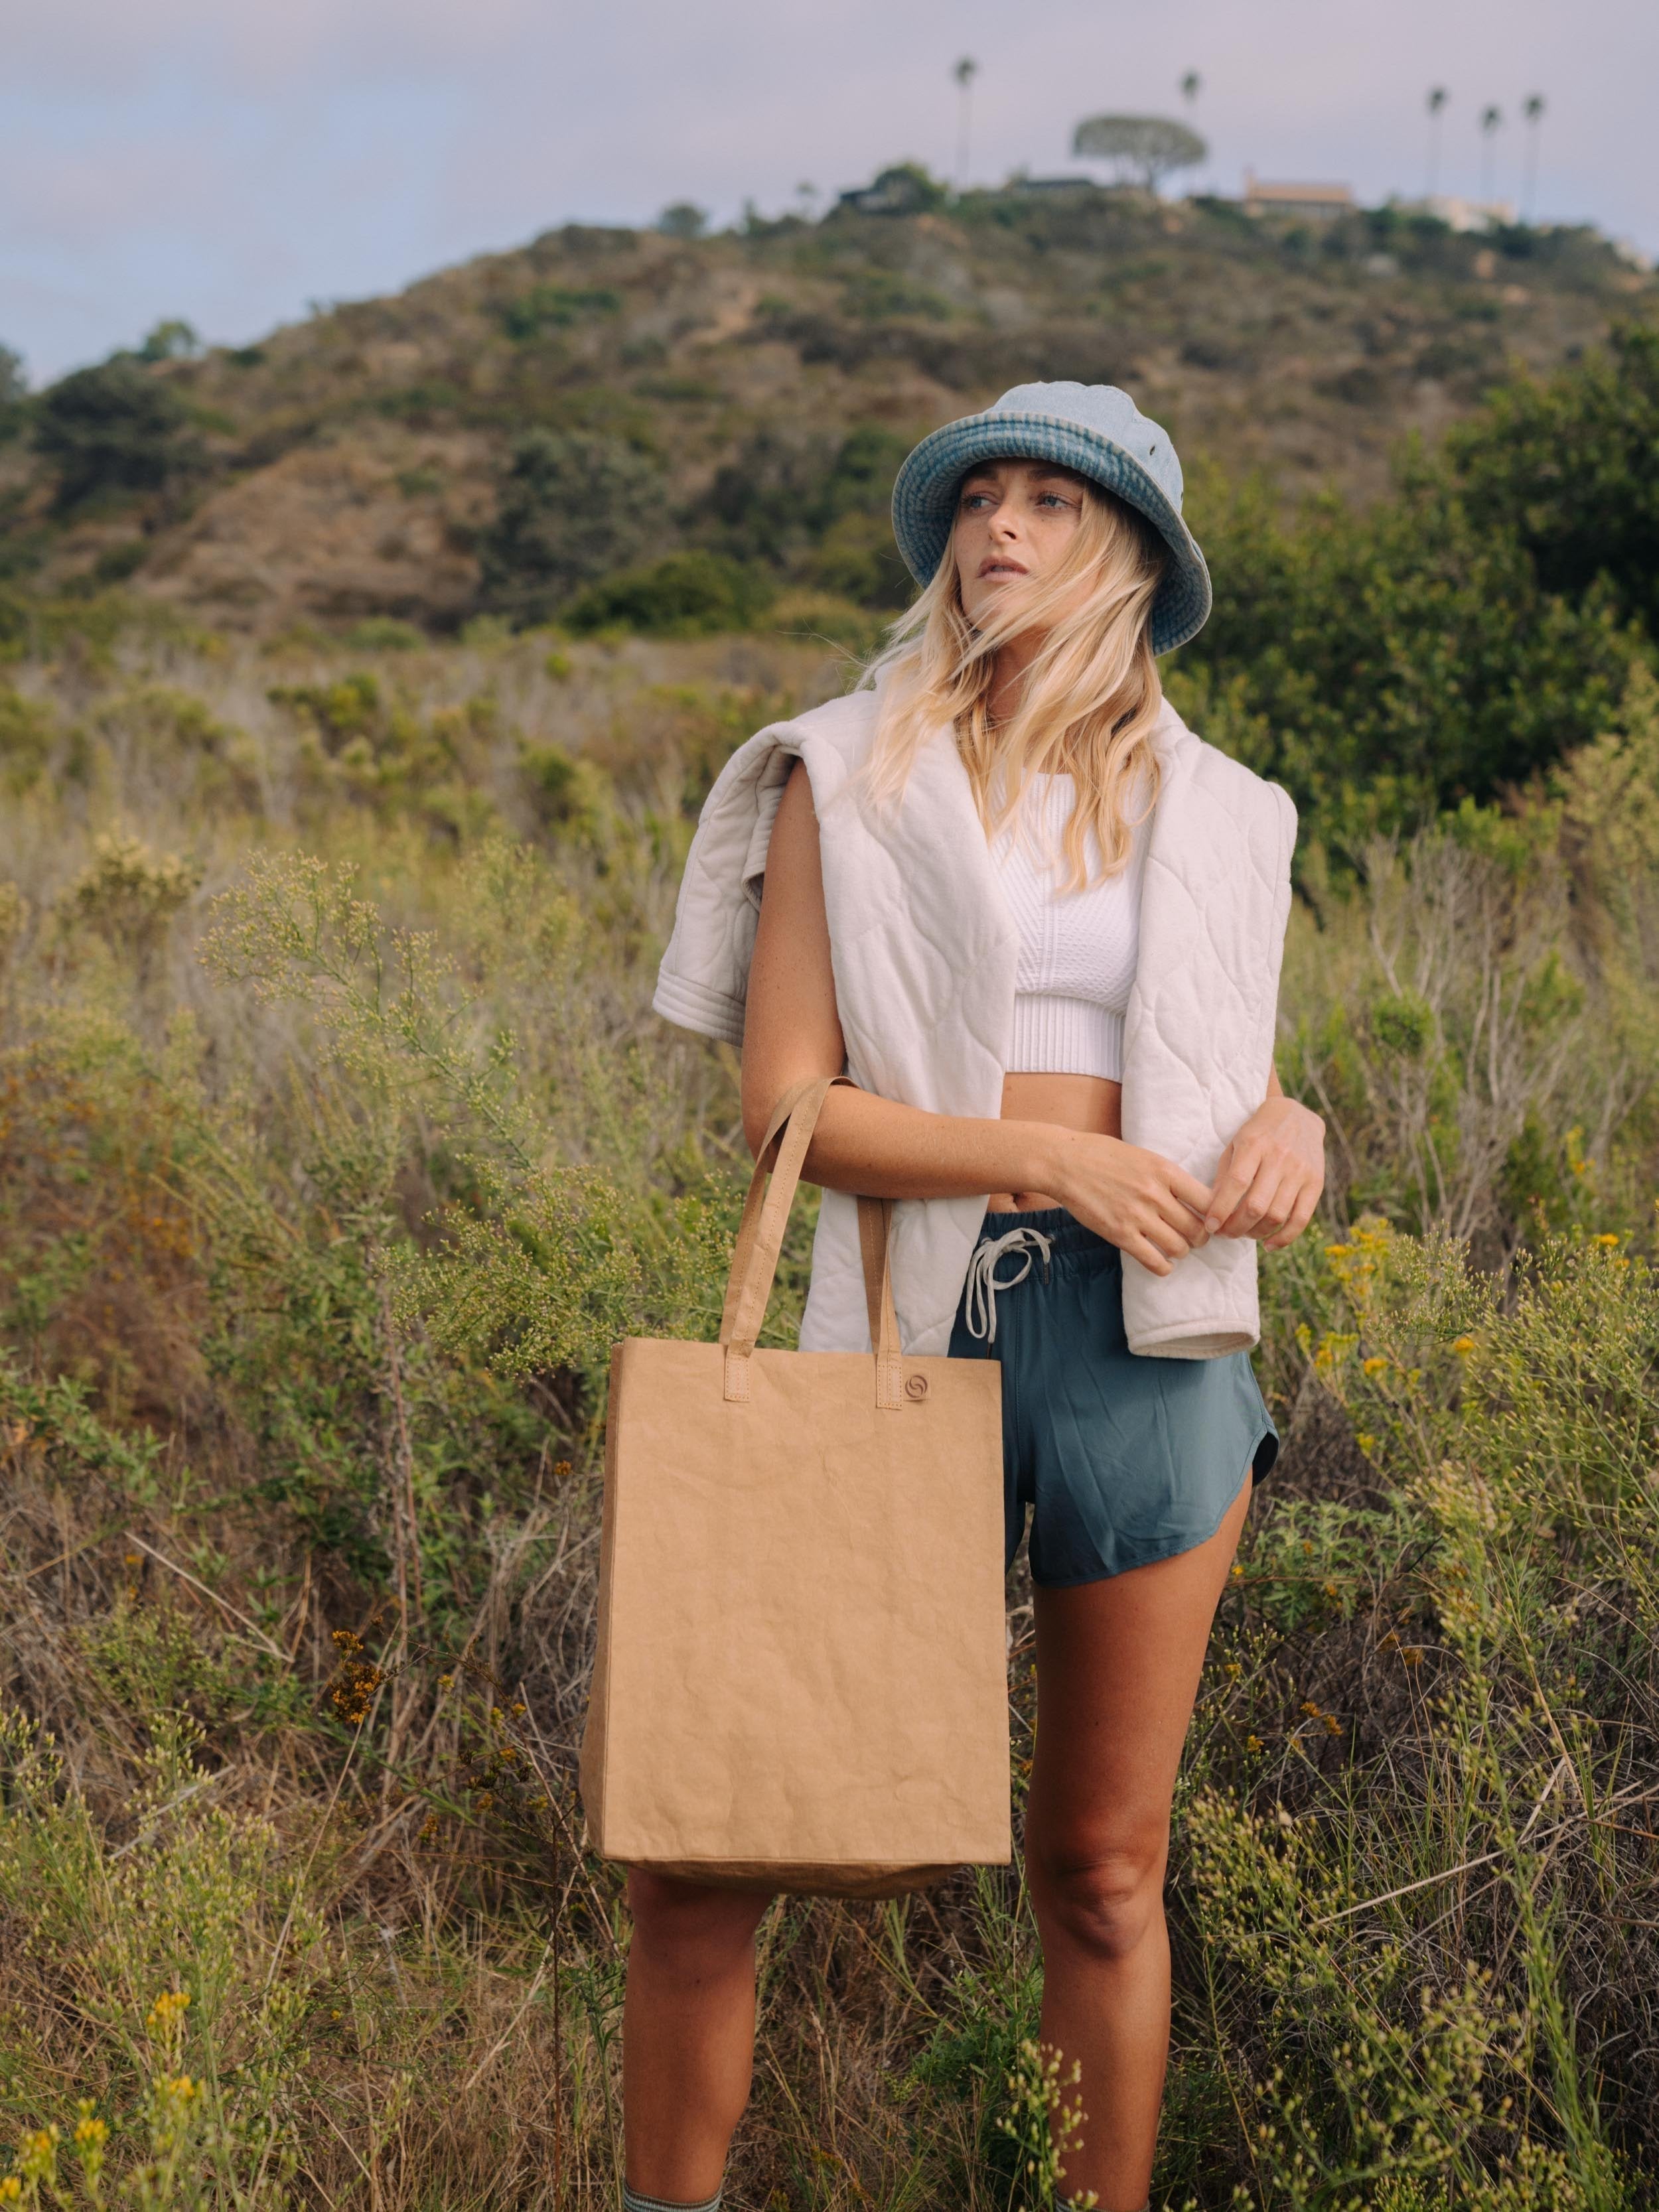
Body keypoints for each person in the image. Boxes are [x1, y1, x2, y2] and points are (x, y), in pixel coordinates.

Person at [622, 382, 1326, 2212]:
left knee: (1100, 1870)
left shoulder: (1230, 809)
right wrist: (1044, 1163)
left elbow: (1207, 1066)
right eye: (977, 500)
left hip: (1149, 1347)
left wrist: (1292, 1130)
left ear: (1132, 559)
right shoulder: (838, 775)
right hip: (905, 1327)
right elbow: (785, 1110)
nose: (997, 527)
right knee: (710, 1848)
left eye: (1048, 504)